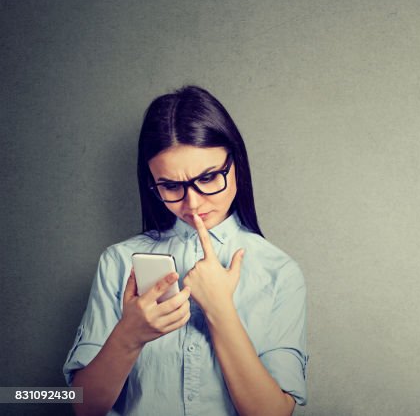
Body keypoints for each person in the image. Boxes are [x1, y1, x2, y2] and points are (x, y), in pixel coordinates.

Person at [63, 85, 309, 416]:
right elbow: (83, 408)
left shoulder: (279, 272)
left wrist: (220, 309)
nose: (192, 204)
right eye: (170, 186)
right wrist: (129, 335)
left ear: (235, 162)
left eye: (208, 178)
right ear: (152, 183)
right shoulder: (118, 262)